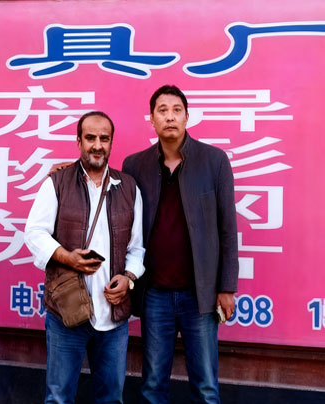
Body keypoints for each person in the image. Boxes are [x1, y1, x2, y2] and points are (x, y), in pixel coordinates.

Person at [122, 85, 239, 404]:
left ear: (188, 117)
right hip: (154, 293)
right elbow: (117, 212)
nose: (170, 117)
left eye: (176, 110)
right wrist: (66, 173)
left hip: (200, 295)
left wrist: (226, 287)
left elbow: (228, 228)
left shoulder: (214, 161)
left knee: (206, 387)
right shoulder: (135, 165)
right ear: (152, 119)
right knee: (152, 385)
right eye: (162, 110)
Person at [24, 111, 145, 404]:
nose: (97, 145)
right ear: (78, 141)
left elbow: (137, 248)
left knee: (111, 399)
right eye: (90, 138)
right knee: (59, 398)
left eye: (104, 138)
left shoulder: (129, 188)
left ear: (112, 143)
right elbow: (34, 233)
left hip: (113, 317)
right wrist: (67, 257)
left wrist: (128, 278)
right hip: (67, 314)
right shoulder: (57, 183)